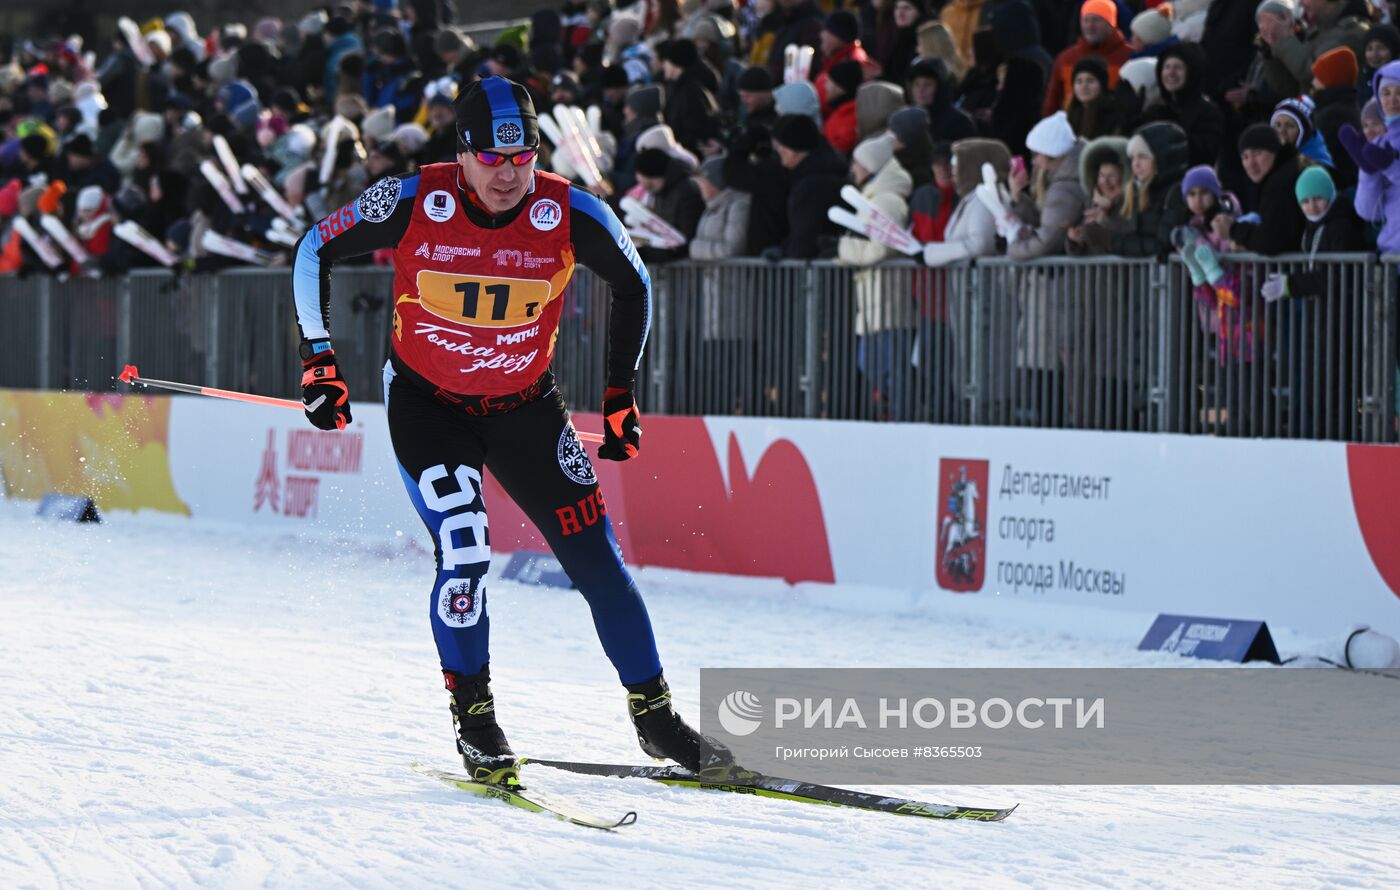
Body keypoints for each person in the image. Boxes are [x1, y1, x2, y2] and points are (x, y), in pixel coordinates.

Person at [289, 76, 735, 787]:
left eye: (522, 156)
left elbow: (635, 283)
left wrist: (620, 392)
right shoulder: (414, 200)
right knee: (465, 551)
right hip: (429, 407)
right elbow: (315, 247)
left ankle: (655, 718)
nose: (508, 174)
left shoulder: (567, 210)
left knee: (600, 564)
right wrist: (321, 363)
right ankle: (476, 721)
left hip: (526, 407)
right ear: (461, 153)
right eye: (492, 158)